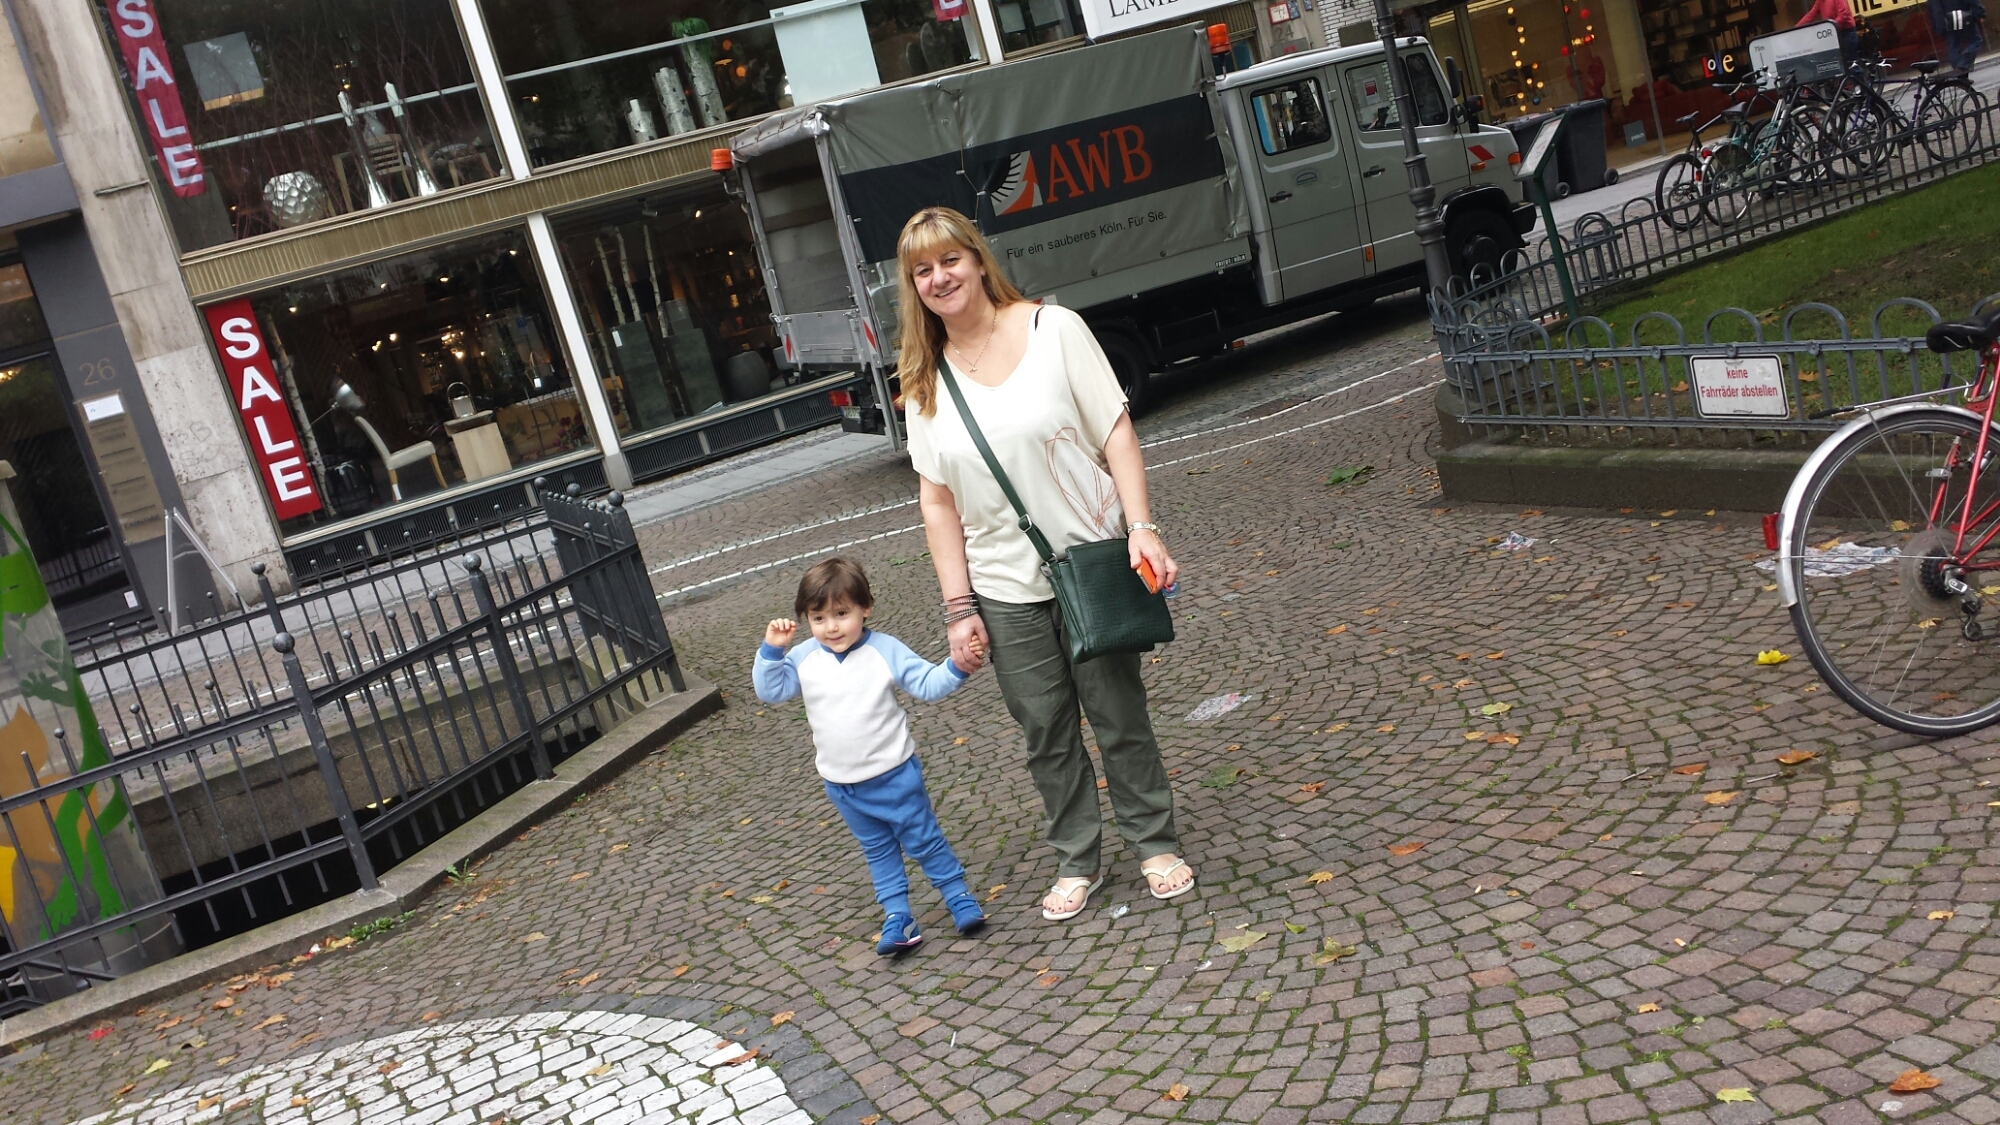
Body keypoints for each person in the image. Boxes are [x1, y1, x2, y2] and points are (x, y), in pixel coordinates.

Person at [896, 206, 1197, 923]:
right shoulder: (923, 380)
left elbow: (1115, 430)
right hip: (1003, 585)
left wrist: (1142, 528)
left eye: (950, 260)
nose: (940, 278)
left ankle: (1154, 843)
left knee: (1118, 714)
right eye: (922, 270)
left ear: (978, 260)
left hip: (1091, 558)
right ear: (914, 287)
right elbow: (937, 502)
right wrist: (959, 607)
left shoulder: (1052, 329)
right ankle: (1077, 857)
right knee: (1045, 731)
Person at [753, 557, 987, 955]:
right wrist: (772, 650)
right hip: (842, 785)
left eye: (841, 614)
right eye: (819, 618)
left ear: (866, 608)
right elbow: (770, 691)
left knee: (924, 840)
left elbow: (926, 684)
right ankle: (898, 916)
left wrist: (958, 666)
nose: (831, 627)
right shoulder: (805, 657)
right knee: (877, 850)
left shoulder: (884, 650)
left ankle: (958, 896)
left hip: (894, 775)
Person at [1929, 0, 1988, 73]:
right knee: (1975, 41)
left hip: (1948, 21)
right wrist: (1981, 13)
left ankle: (1959, 71)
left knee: (1954, 46)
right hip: (1964, 17)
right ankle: (1963, 64)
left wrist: (1938, 26)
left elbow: (1934, 9)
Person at [1797, 0, 1861, 62]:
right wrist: (1796, 28)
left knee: (1850, 61)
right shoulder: (1820, 1)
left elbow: (1843, 15)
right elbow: (1810, 15)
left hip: (1846, 32)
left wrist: (1830, 27)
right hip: (1833, 33)